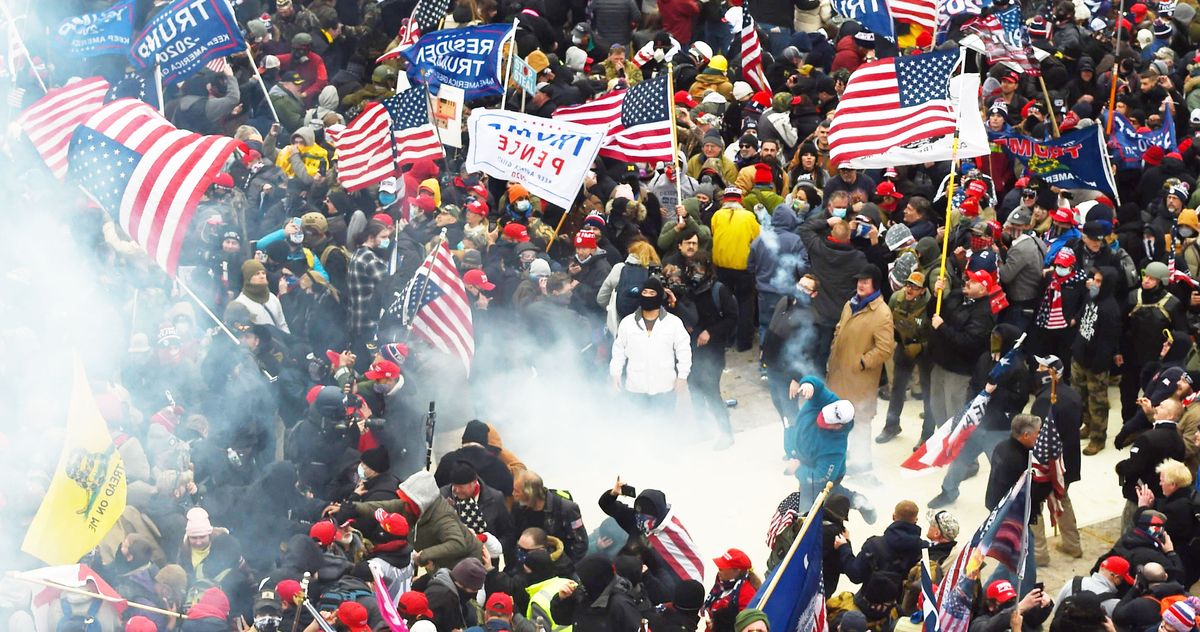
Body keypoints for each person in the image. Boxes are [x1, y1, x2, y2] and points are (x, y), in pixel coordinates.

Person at [824, 264, 894, 475]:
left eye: (865, 281)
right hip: (839, 373)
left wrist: (862, 362)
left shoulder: (882, 313)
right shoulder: (850, 304)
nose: (860, 285)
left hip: (860, 380)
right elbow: (840, 328)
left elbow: (885, 348)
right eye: (859, 280)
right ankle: (843, 458)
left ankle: (862, 465)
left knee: (860, 421)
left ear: (875, 284)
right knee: (840, 418)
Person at [610, 277, 692, 411]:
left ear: (659, 296)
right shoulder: (627, 323)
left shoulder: (673, 323)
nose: (648, 296)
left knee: (663, 426)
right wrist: (615, 374)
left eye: (652, 293)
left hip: (665, 386)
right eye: (645, 292)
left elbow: (684, 351)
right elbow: (618, 351)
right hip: (636, 388)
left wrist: (682, 377)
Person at [703, 549, 760, 632]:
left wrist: (718, 624)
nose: (719, 571)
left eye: (721, 568)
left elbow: (745, 625)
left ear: (737, 570)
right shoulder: (720, 586)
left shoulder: (747, 593)